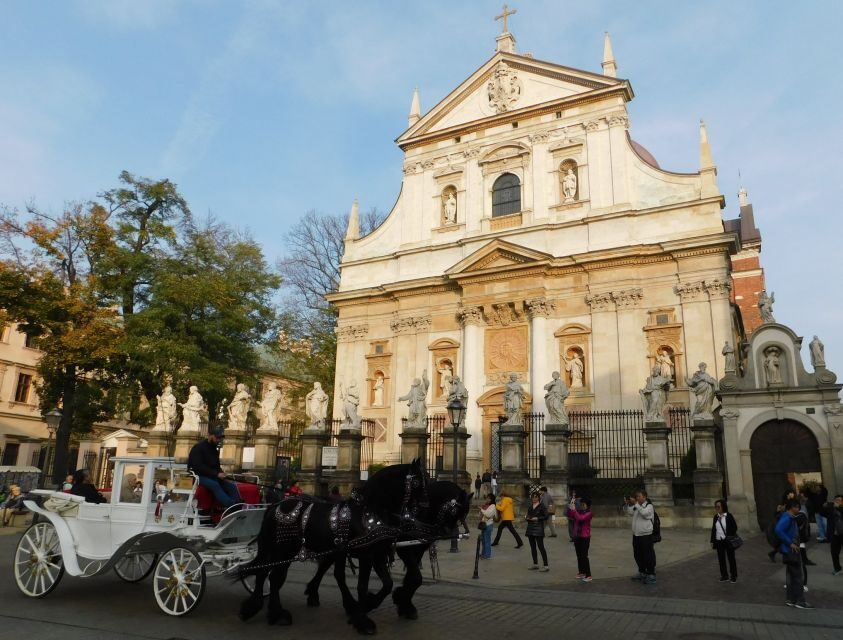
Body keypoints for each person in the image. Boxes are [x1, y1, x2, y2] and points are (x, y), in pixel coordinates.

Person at [187, 426, 240, 508]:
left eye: (220, 438)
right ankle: (231, 506)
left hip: (212, 476)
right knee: (215, 485)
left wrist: (221, 472)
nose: (219, 440)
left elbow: (217, 466)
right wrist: (216, 474)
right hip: (198, 476)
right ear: (209, 435)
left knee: (232, 486)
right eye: (217, 437)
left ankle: (237, 504)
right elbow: (198, 467)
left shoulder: (215, 450)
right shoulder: (198, 448)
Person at [775, 498, 813, 608]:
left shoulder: (789, 517)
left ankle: (791, 599)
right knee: (797, 576)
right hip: (791, 550)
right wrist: (790, 543)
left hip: (789, 550)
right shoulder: (788, 518)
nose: (799, 509)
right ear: (793, 507)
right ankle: (800, 601)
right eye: (797, 507)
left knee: (791, 576)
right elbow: (778, 530)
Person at [624, 490, 657, 584]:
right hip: (636, 535)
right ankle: (642, 572)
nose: (637, 498)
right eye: (636, 496)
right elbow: (630, 513)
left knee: (648, 555)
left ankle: (651, 574)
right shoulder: (637, 505)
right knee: (638, 554)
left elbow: (645, 514)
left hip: (646, 535)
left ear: (645, 497)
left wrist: (636, 504)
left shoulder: (649, 506)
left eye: (639, 496)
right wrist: (628, 504)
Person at [710, 499, 738, 583]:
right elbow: (713, 529)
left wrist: (729, 536)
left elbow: (735, 527)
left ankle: (733, 576)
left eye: (718, 506)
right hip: (719, 541)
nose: (717, 508)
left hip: (728, 540)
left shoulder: (729, 516)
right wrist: (712, 541)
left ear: (723, 506)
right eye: (716, 507)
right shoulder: (716, 517)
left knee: (731, 559)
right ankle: (724, 576)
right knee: (721, 559)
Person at [569, 496, 593, 582]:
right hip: (577, 536)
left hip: (585, 537)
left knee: (584, 556)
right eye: (581, 504)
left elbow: (580, 518)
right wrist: (571, 507)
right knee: (579, 556)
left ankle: (588, 575)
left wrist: (574, 511)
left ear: (587, 505)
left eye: (583, 504)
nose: (582, 505)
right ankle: (582, 572)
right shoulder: (579, 511)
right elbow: (572, 516)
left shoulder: (589, 513)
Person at [525, 491, 549, 571]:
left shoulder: (542, 506)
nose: (534, 498)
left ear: (538, 498)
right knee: (532, 547)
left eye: (536, 497)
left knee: (541, 547)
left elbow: (546, 516)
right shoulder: (530, 506)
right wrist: (527, 517)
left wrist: (538, 518)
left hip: (538, 528)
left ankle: (546, 566)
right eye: (533, 497)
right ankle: (535, 564)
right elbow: (528, 515)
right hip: (530, 527)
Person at [826, 494, 843, 575]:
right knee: (834, 552)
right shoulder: (831, 509)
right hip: (835, 534)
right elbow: (822, 513)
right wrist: (826, 506)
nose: (837, 502)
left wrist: (838, 508)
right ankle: (837, 568)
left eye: (839, 500)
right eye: (836, 500)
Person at [478, 494, 496, 559]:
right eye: (487, 498)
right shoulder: (485, 506)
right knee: (483, 540)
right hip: (484, 524)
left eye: (489, 498)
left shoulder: (493, 506)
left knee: (487, 540)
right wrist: (481, 510)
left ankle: (487, 555)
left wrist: (482, 510)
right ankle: (483, 553)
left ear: (492, 500)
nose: (487, 500)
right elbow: (481, 514)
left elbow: (488, 514)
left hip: (488, 525)